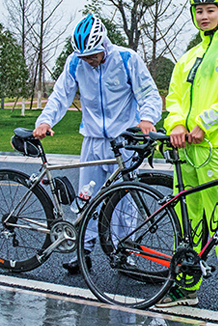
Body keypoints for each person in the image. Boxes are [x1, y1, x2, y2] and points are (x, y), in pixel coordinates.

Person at [33, 14, 162, 274]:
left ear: (104, 44)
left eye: (93, 55)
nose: (89, 61)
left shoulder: (127, 59)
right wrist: (45, 121)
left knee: (125, 201)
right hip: (92, 140)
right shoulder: (75, 63)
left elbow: (149, 93)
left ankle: (125, 251)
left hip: (124, 141)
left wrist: (147, 119)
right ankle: (83, 251)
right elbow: (60, 95)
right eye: (84, 57)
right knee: (86, 199)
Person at [155, 0, 218, 320]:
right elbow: (175, 98)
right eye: (199, 10)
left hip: (215, 150)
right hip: (186, 153)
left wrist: (204, 125)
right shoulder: (188, 56)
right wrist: (177, 125)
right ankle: (186, 287)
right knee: (188, 224)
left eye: (211, 9)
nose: (205, 16)